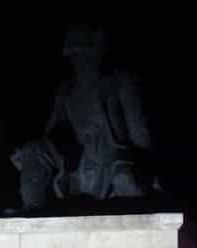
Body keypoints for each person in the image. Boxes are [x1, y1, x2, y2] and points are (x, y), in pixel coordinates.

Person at [10, 25, 157, 211]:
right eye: (77, 56)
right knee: (33, 150)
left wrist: (149, 168)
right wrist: (29, 155)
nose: (82, 61)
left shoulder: (120, 82)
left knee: (126, 179)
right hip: (76, 163)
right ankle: (32, 210)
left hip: (113, 160)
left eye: (85, 53)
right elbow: (51, 133)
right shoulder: (66, 91)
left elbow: (140, 133)